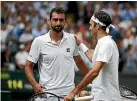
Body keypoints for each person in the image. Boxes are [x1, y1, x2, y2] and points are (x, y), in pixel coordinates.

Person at [24, 7, 90, 101]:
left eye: (61, 20)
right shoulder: (39, 41)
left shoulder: (72, 39)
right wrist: (34, 84)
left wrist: (93, 77)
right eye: (55, 20)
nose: (58, 23)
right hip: (46, 95)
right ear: (49, 21)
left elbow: (79, 62)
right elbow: (28, 66)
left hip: (68, 95)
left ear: (65, 22)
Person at [64, 11, 121, 101]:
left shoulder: (106, 44)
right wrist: (80, 43)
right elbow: (93, 58)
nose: (89, 28)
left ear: (98, 26)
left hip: (107, 98)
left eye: (91, 25)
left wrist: (74, 91)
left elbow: (94, 72)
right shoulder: (104, 42)